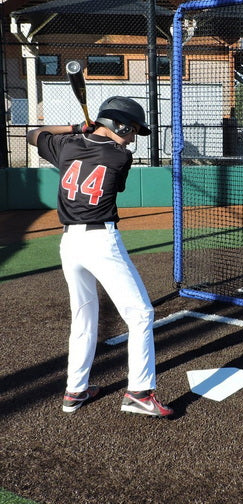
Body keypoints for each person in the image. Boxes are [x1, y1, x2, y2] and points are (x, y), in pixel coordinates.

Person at [27, 96, 173, 417]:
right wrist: (89, 131)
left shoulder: (65, 145)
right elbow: (110, 168)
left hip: (70, 245)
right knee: (141, 315)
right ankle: (139, 393)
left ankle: (75, 390)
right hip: (100, 241)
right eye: (131, 129)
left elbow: (33, 133)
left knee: (84, 317)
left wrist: (76, 128)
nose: (133, 136)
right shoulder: (120, 157)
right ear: (117, 125)